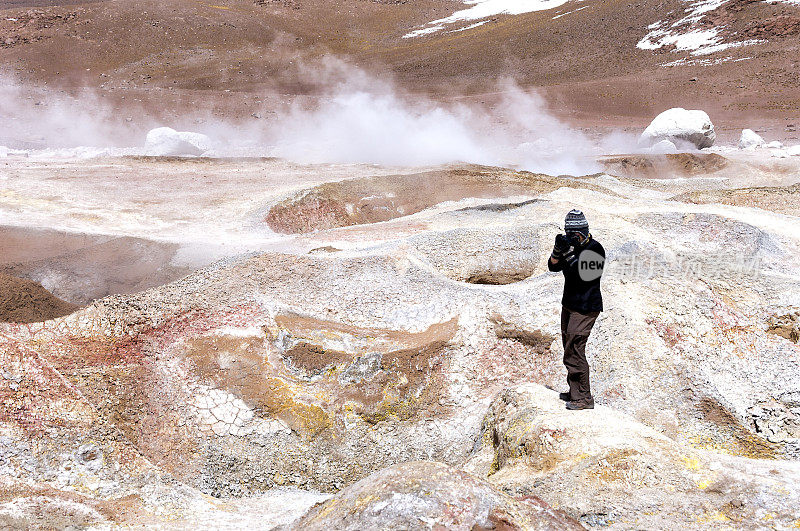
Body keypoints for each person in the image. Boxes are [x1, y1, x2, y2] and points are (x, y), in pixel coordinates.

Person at [548, 209, 605, 410]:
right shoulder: (570, 247)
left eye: (575, 234)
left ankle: (584, 398)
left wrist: (568, 253)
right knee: (569, 348)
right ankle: (575, 391)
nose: (573, 238)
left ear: (583, 232)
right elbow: (552, 266)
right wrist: (558, 250)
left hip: (586, 307)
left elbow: (585, 276)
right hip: (570, 305)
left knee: (575, 350)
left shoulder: (596, 249)